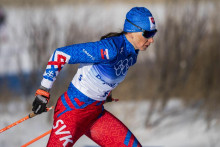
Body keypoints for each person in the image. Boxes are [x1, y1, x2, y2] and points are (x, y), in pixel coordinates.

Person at [32, 7, 157, 147]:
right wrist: (43, 91)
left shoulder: (132, 54)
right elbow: (61, 55)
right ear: (132, 31)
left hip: (95, 114)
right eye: (148, 33)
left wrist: (106, 93)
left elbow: (108, 74)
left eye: (154, 33)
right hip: (72, 112)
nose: (151, 40)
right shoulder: (109, 49)